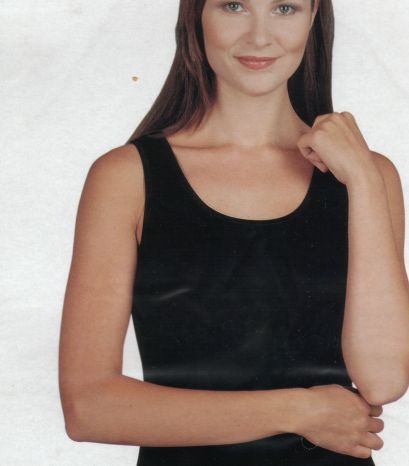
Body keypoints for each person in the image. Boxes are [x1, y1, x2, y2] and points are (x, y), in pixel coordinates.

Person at [58, 0, 409, 465]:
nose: (259, 36)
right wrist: (298, 411)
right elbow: (88, 408)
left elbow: (384, 381)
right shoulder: (127, 178)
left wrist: (362, 178)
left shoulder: (367, 176)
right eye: (234, 6)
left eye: (285, 8)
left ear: (313, 18)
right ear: (196, 16)